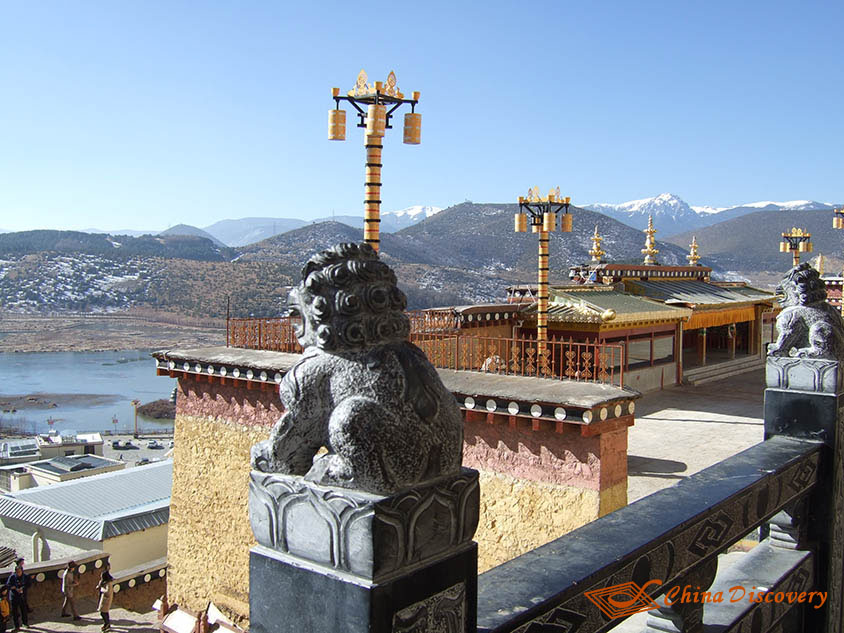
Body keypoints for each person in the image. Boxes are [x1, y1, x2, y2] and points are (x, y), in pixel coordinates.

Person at [5, 564, 28, 630]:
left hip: (22, 596)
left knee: (24, 610)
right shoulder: (12, 577)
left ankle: (25, 623)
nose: (19, 573)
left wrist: (22, 588)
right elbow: (8, 585)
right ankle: (16, 626)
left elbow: (28, 584)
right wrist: (14, 588)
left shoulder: (25, 576)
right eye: (17, 572)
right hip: (14, 596)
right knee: (15, 612)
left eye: (20, 572)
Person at [97, 563, 114, 632]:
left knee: (103, 612)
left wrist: (101, 588)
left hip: (106, 599)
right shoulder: (106, 582)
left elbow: (107, 591)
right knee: (104, 612)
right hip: (104, 599)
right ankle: (107, 624)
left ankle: (107, 624)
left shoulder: (108, 584)